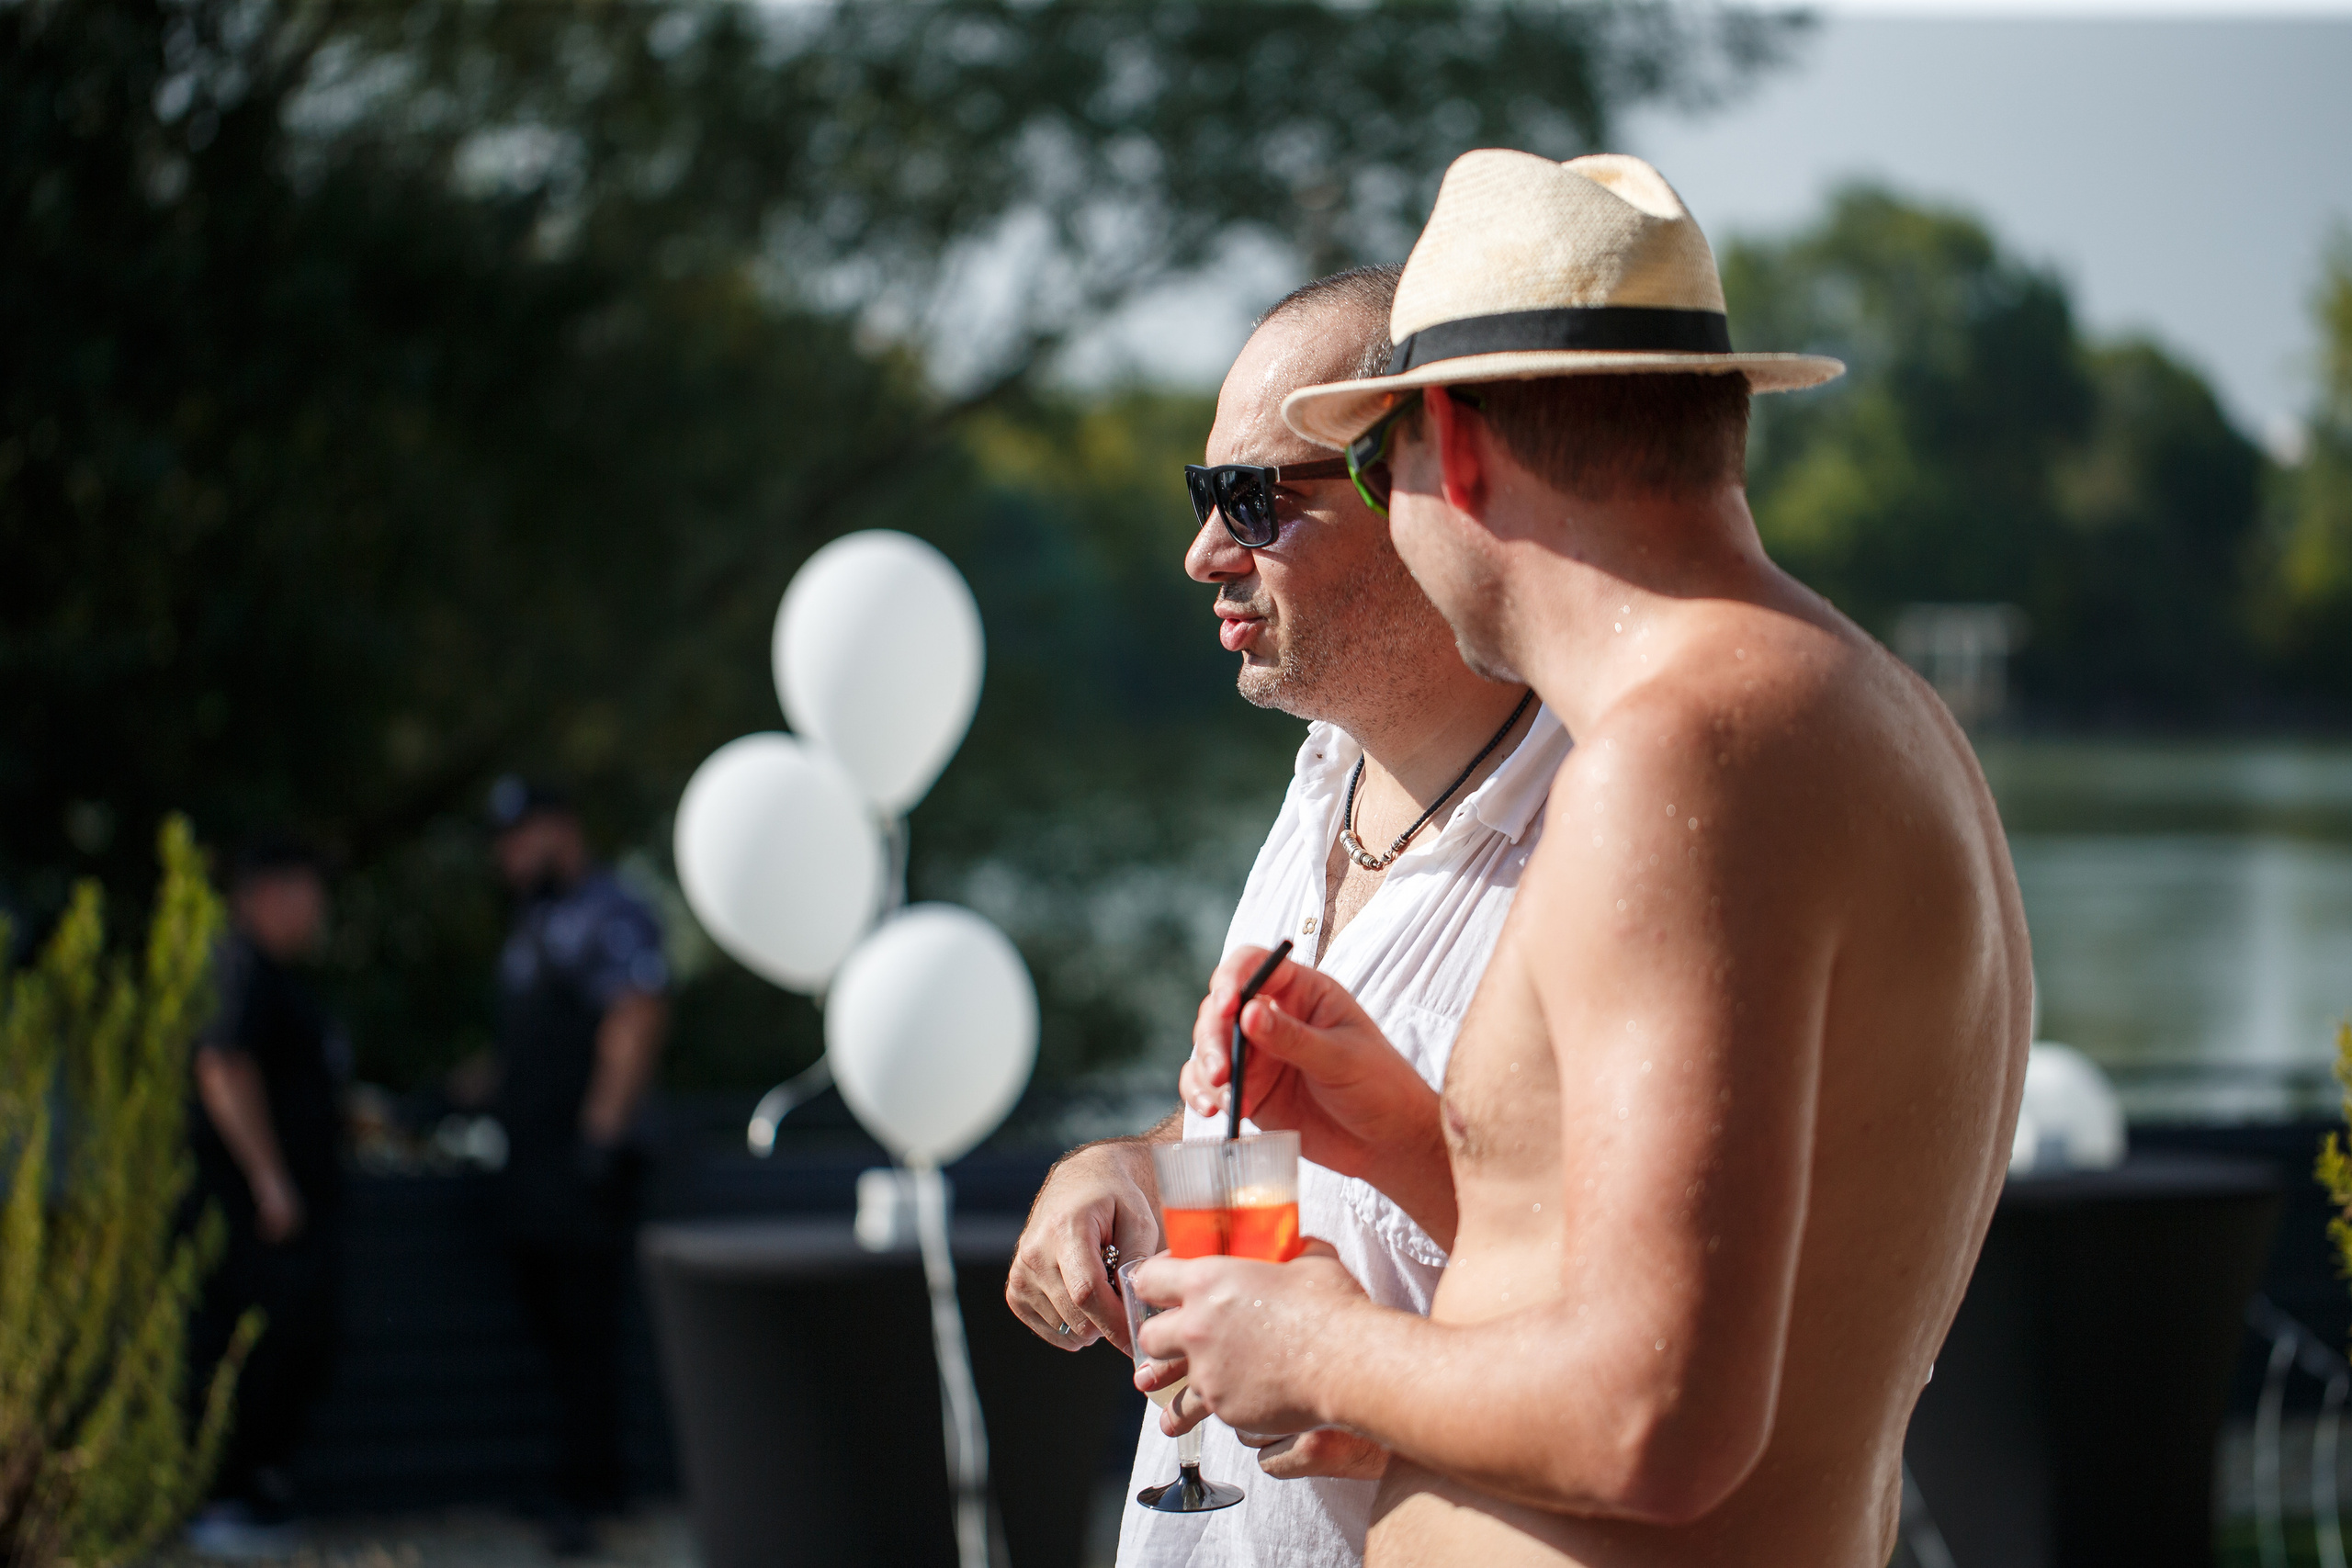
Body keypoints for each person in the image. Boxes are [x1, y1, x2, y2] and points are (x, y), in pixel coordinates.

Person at [1136, 151, 2032, 1568]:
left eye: (1381, 463)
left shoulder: (1684, 756)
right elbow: (1715, 1287)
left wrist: (1312, 1342)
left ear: (1459, 446)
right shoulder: (1867, 708)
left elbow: (1655, 1419)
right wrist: (1426, 1144)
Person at [1004, 264, 1571, 1567]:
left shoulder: (1597, 840)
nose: (1204, 549)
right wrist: (1124, 1163)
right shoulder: (1323, 775)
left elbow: (1654, 1325)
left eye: (1249, 498)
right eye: (1203, 497)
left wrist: (1382, 1394)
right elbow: (1250, 1139)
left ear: (1428, 493)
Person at [484, 777, 669, 1558]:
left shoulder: (609, 910)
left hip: (580, 1162)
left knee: (588, 1327)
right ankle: (576, 1478)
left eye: (524, 834)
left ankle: (591, 1492)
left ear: (562, 830)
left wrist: (600, 1134)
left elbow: (635, 1016)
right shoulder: (533, 921)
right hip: (530, 1158)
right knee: (552, 1327)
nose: (512, 854)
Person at [186, 835, 348, 1556]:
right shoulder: (238, 967)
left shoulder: (278, 978)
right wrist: (269, 1176)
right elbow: (221, 1063)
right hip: (254, 1218)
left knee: (295, 1343)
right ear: (267, 893)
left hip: (287, 1211)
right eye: (309, 890)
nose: (319, 909)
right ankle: (230, 1495)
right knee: (253, 1346)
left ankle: (258, 1492)